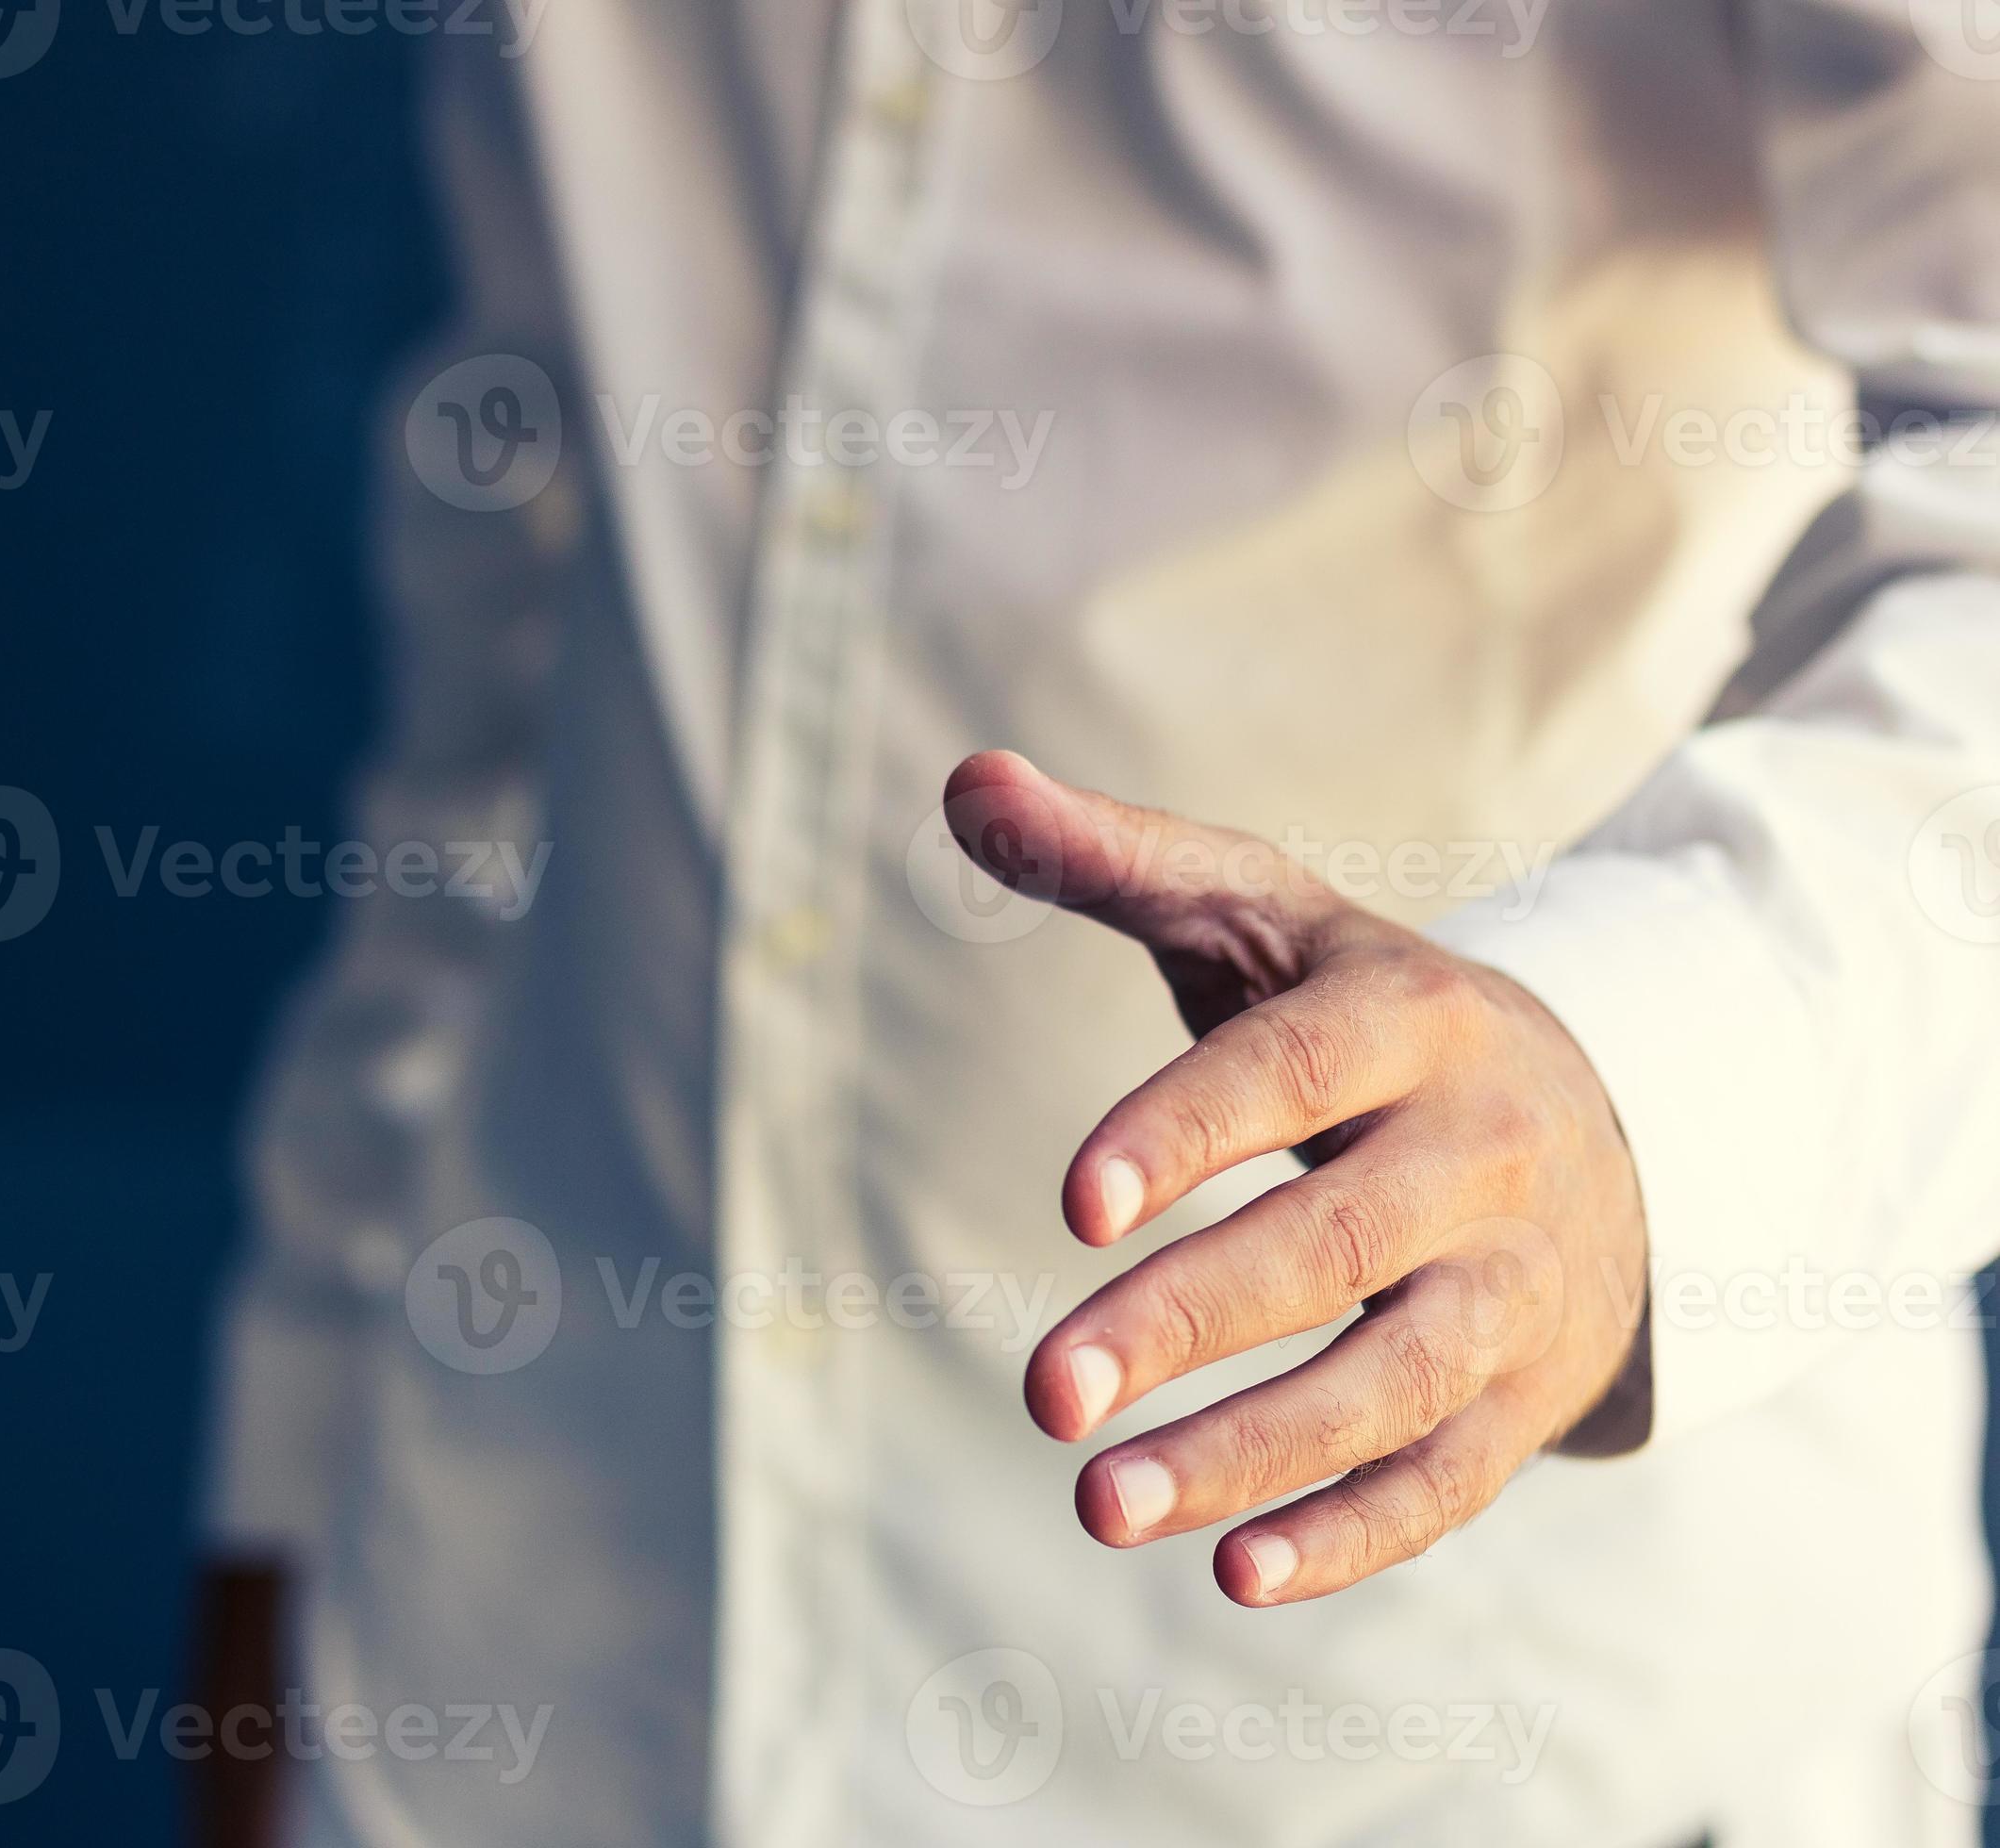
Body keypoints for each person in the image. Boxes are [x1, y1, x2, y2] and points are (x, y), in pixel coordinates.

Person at [194, 2, 2000, 1841]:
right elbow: (525, 593)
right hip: (528, 1658)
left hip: (1479, 1719)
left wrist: (1631, 1096)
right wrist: (299, 1418)